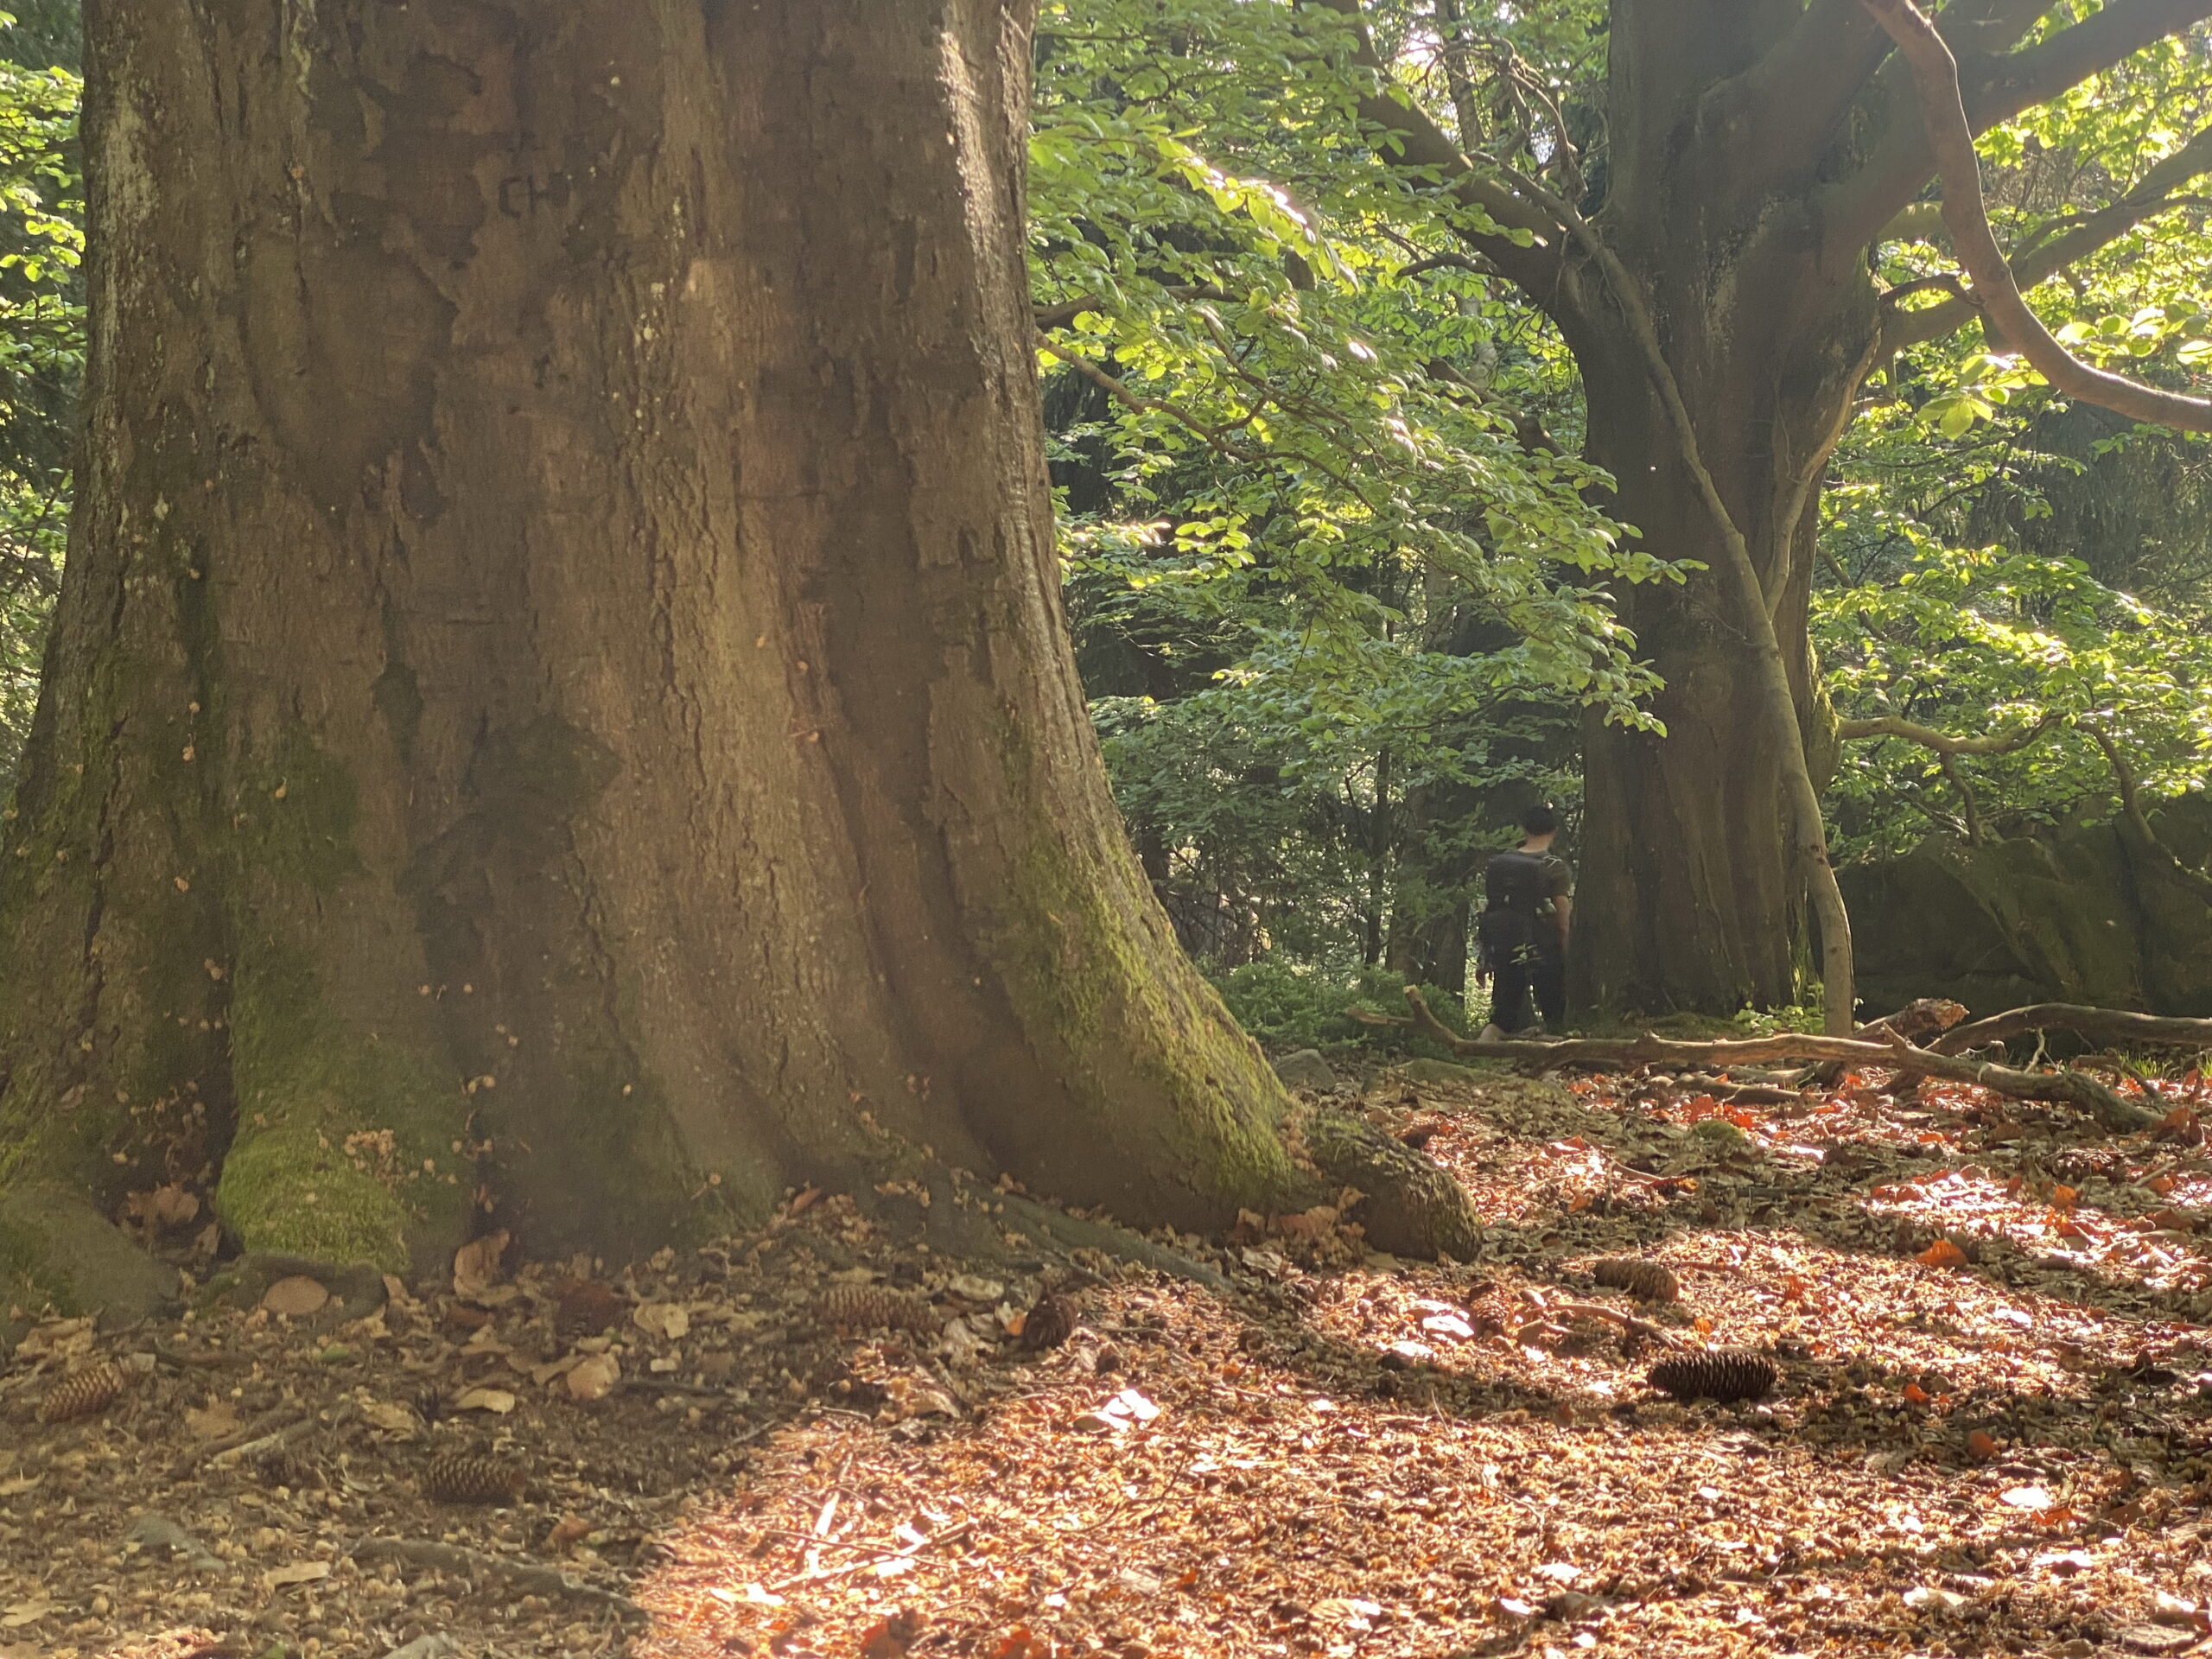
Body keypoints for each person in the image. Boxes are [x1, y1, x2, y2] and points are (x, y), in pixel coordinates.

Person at [1473, 804, 1573, 1039]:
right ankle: (1558, 1056)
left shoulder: (1500, 864)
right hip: (1544, 947)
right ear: (1554, 831)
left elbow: (1491, 909)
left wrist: (1486, 956)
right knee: (1555, 1015)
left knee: (1501, 1018)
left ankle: (1478, 1051)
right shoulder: (1555, 867)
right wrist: (1566, 951)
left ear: (1524, 829)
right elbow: (1563, 920)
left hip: (1505, 947)